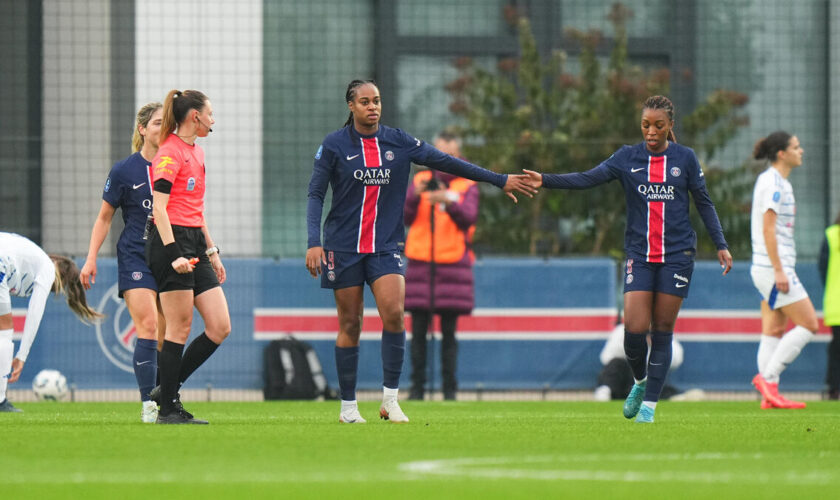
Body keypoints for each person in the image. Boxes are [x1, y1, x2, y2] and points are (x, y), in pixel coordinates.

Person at [305, 79, 537, 424]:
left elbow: (449, 162)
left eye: (377, 101)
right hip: (344, 247)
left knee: (395, 314)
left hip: (385, 248)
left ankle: (390, 400)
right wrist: (313, 242)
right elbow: (315, 195)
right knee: (351, 323)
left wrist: (498, 179)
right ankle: (348, 408)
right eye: (365, 101)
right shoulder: (335, 145)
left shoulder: (399, 141)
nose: (373, 107)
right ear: (351, 106)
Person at [523, 95, 732, 423]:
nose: (651, 131)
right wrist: (546, 179)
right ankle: (640, 381)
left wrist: (720, 243)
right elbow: (587, 178)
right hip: (640, 255)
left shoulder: (685, 159)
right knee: (633, 331)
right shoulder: (627, 158)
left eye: (658, 126)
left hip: (677, 256)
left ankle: (649, 406)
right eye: (646, 125)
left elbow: (704, 202)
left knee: (662, 329)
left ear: (670, 127)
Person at [145, 89, 230, 424]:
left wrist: (212, 251)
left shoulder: (199, 153)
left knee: (220, 326)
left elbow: (197, 210)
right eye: (210, 113)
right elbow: (160, 209)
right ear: (195, 116)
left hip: (194, 240)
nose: (213, 119)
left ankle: (166, 388)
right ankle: (168, 407)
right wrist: (174, 254)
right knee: (179, 328)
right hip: (171, 242)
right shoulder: (169, 153)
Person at [80, 102, 166, 423]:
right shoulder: (123, 170)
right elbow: (104, 218)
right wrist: (90, 259)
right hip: (134, 256)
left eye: (167, 124)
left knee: (165, 336)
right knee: (148, 326)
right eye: (157, 123)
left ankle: (165, 400)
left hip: (167, 258)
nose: (163, 128)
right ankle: (148, 406)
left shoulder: (175, 166)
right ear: (143, 129)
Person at [404, 131, 477, 401]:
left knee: (449, 333)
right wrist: (415, 197)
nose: (445, 159)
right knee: (418, 332)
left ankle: (450, 391)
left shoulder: (467, 183)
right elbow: (405, 215)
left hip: (452, 262)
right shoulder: (421, 179)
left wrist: (448, 202)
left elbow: (469, 217)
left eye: (450, 154)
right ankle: (417, 389)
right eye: (441, 153)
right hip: (421, 261)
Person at [748, 131, 819, 409]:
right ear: (782, 153)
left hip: (771, 266)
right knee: (809, 324)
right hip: (772, 268)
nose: (801, 151)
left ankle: (770, 395)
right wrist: (779, 270)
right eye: (796, 147)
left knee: (774, 328)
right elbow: (768, 229)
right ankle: (768, 378)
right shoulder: (772, 183)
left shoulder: (779, 182)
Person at [0, 232, 103, 412]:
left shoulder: (31, 257)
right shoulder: (47, 267)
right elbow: (35, 311)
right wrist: (21, 356)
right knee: (5, 328)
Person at [593, 319, 684, 401]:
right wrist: (631, 342)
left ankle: (668, 395)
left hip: (645, 379)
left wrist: (654, 346)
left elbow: (675, 360)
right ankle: (605, 391)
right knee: (616, 363)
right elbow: (606, 357)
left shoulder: (661, 334)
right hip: (623, 379)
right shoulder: (622, 330)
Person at [819, 210, 840, 400]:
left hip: (835, 300)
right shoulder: (831, 234)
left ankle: (834, 387)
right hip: (836, 301)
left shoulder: (831, 235)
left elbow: (823, 268)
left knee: (836, 348)